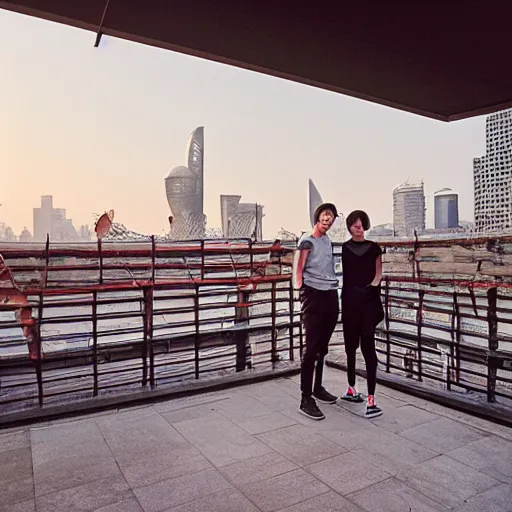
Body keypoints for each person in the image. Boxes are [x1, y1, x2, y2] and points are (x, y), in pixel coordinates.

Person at [294, 203, 340, 420]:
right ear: (318, 217)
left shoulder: (327, 240)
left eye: (331, 218)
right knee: (311, 347)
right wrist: (304, 292)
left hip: (330, 293)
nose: (328, 220)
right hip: (313, 295)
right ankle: (306, 398)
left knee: (322, 345)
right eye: (325, 215)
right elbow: (298, 271)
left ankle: (318, 388)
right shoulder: (307, 240)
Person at [340, 210, 384, 419]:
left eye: (361, 223)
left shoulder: (374, 248)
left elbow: (378, 274)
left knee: (368, 349)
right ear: (349, 226)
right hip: (349, 302)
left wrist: (367, 290)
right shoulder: (345, 248)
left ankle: (371, 398)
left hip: (366, 302)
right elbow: (347, 276)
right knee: (350, 347)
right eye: (354, 223)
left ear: (365, 225)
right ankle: (351, 388)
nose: (358, 226)